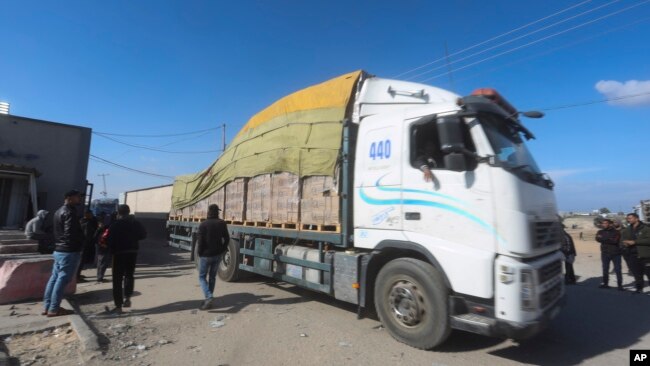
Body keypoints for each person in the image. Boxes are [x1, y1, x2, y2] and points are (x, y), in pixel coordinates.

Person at [42, 190, 84, 317]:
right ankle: (54, 308)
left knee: (54, 278)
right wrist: (78, 244)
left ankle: (47, 306)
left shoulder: (58, 211)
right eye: (77, 197)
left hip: (59, 250)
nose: (79, 199)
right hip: (68, 251)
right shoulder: (69, 212)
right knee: (62, 279)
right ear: (69, 198)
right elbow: (70, 233)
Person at [106, 205, 147, 313]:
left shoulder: (115, 224)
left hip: (119, 253)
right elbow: (143, 235)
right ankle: (127, 298)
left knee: (117, 279)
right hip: (132, 252)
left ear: (118, 213)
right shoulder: (135, 223)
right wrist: (133, 238)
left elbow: (109, 239)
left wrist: (110, 251)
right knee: (129, 275)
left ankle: (118, 306)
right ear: (129, 212)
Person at [196, 204, 230, 310]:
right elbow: (227, 238)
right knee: (212, 277)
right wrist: (223, 249)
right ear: (217, 212)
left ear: (208, 212)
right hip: (217, 255)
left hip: (205, 255)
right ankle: (208, 298)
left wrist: (200, 253)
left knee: (202, 277)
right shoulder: (222, 223)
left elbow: (200, 242)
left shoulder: (203, 224)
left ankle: (209, 297)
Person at [620, 213, 650, 294]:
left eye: (630, 218)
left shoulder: (646, 228)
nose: (628, 220)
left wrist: (635, 242)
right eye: (628, 218)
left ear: (637, 219)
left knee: (649, 273)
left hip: (645, 255)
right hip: (632, 255)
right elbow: (622, 239)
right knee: (637, 273)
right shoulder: (627, 229)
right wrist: (624, 244)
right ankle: (639, 288)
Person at [595, 218, 623, 290]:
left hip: (616, 253)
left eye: (605, 223)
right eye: (603, 223)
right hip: (605, 253)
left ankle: (620, 285)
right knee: (605, 269)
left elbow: (614, 241)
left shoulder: (616, 232)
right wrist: (608, 239)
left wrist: (603, 239)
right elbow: (597, 239)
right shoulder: (600, 231)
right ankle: (605, 284)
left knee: (618, 270)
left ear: (610, 224)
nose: (603, 225)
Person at [77, 210, 99, 282]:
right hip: (85, 244)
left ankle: (77, 274)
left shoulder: (81, 221)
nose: (92, 215)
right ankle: (77, 276)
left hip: (80, 243)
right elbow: (88, 235)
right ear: (87, 214)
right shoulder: (88, 223)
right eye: (91, 214)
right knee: (81, 260)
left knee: (80, 260)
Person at [95, 215, 112, 283]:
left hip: (102, 248)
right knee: (102, 263)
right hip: (103, 248)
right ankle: (100, 278)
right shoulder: (104, 230)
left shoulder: (101, 230)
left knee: (101, 263)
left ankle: (100, 277)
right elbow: (97, 239)